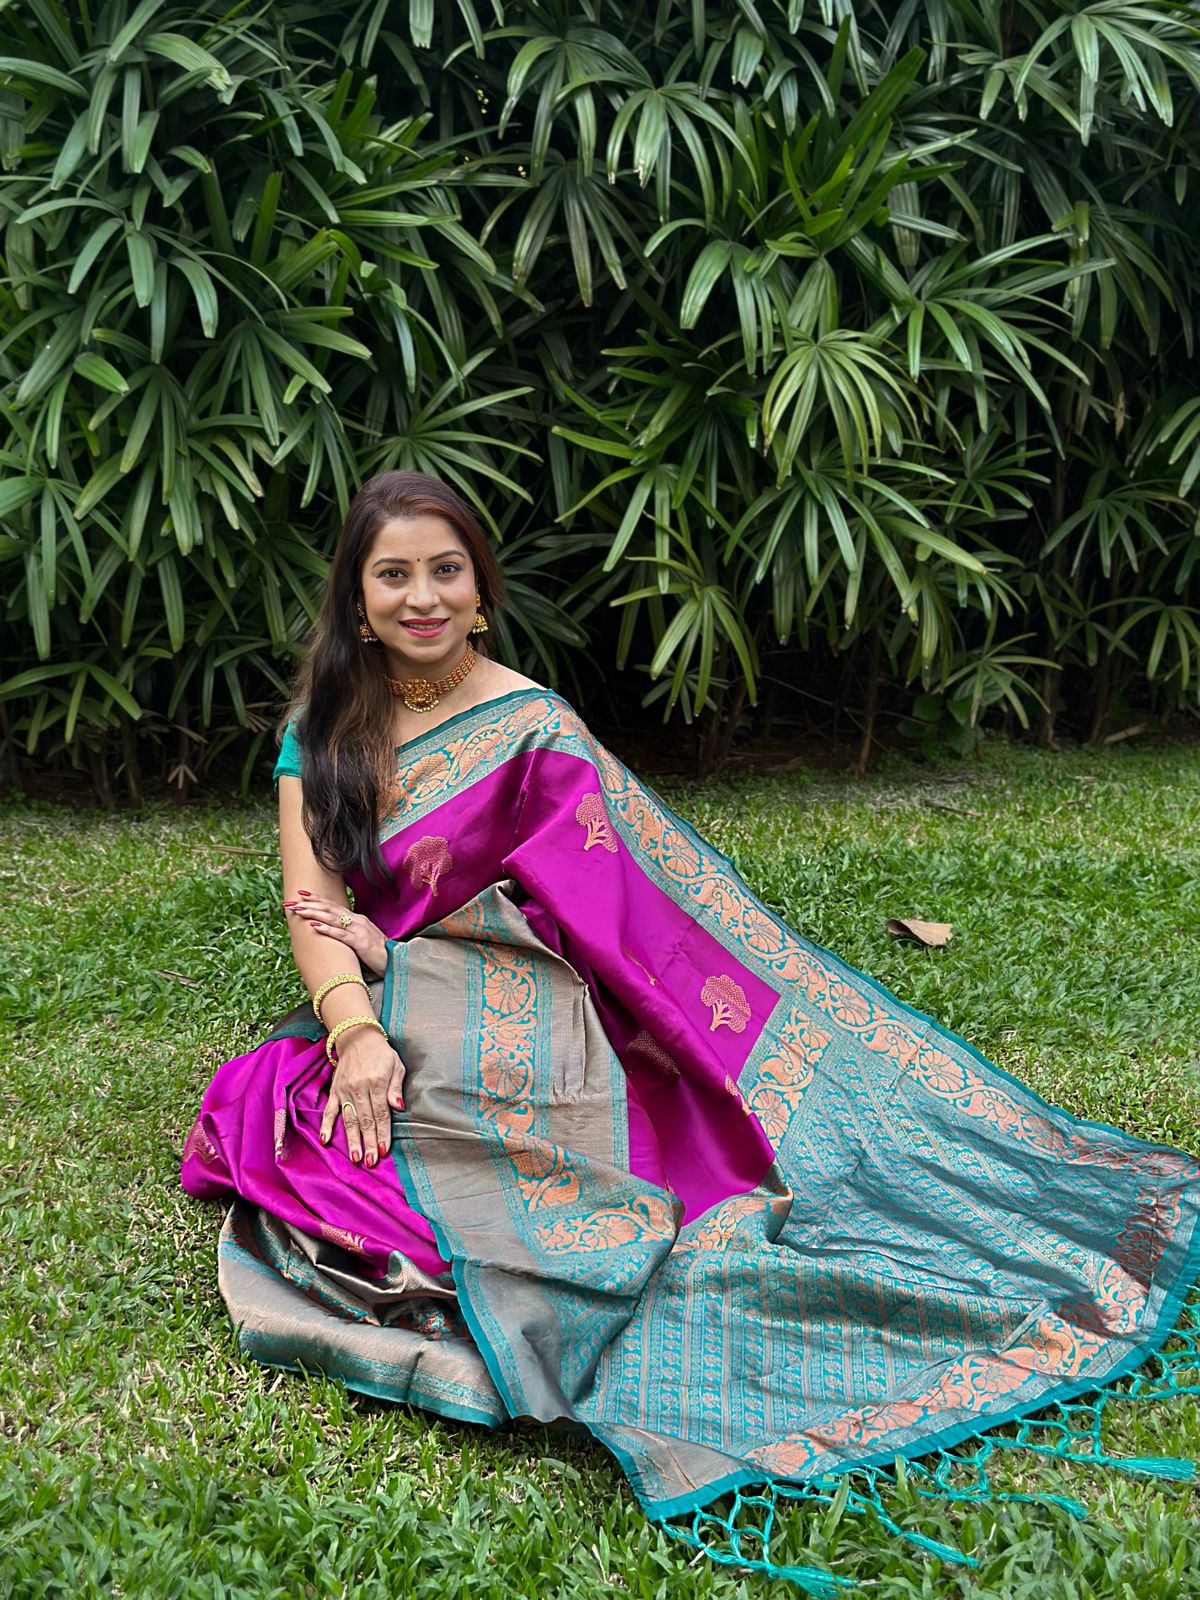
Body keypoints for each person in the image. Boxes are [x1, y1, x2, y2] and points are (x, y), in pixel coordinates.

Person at [182, 470, 1200, 1583]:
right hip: (386, 1008)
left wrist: (418, 946)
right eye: (393, 575)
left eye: (445, 571)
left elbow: (617, 913)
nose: (420, 597)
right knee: (326, 1154)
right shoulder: (320, 733)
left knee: (524, 1187)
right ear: (356, 595)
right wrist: (357, 1026)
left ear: (481, 592)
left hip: (535, 1001)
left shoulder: (533, 726)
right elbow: (313, 909)